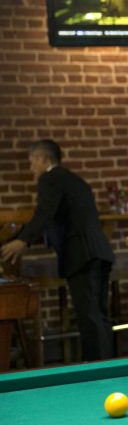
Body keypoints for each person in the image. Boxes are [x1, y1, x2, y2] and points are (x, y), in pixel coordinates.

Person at [1, 139, 115, 361]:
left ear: (44, 159)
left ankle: (98, 374)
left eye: (33, 160)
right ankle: (107, 369)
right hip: (99, 251)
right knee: (99, 316)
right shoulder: (74, 180)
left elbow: (44, 213)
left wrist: (22, 241)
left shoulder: (49, 179)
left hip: (81, 254)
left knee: (89, 317)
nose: (31, 166)